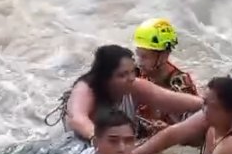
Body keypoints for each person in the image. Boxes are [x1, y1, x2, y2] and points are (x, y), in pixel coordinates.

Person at [53, 44, 202, 143]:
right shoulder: (86, 89)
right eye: (122, 74)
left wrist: (212, 104)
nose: (131, 78)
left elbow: (174, 101)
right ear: (106, 77)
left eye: (132, 72)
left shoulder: (134, 85)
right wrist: (98, 140)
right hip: (80, 144)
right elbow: (78, 119)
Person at [133, 18, 198, 135]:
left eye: (144, 57)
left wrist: (169, 130)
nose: (139, 62)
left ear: (164, 56)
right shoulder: (135, 72)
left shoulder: (179, 85)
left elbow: (193, 127)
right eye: (138, 54)